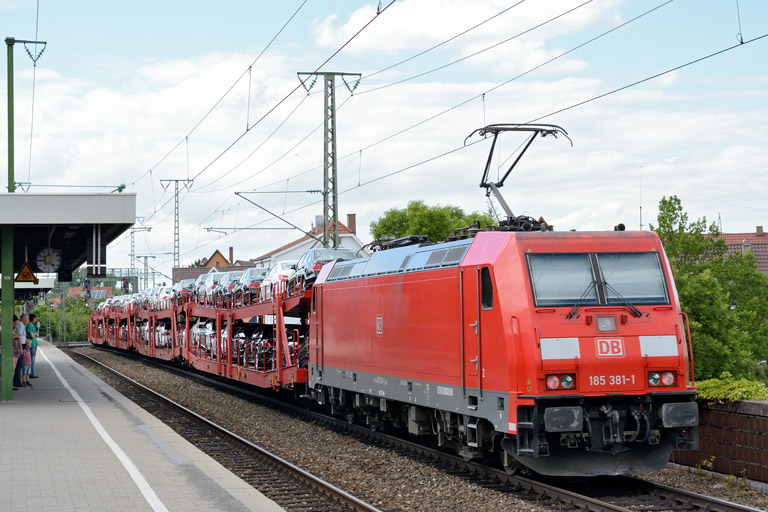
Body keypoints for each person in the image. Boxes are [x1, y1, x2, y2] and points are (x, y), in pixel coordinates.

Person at [12, 315, 23, 389]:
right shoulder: (6, 329)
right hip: (11, 349)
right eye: (15, 323)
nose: (16, 325)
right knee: (12, 368)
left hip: (16, 349)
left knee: (14, 368)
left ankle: (11, 384)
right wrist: (15, 336)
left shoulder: (13, 330)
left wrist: (20, 348)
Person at [26, 313, 39, 378]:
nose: (35, 320)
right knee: (31, 360)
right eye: (35, 318)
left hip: (34, 344)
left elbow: (35, 334)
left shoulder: (32, 325)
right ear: (32, 319)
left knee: (32, 360)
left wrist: (35, 334)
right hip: (31, 344)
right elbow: (32, 335)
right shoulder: (29, 326)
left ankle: (31, 373)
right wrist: (35, 334)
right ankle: (30, 373)